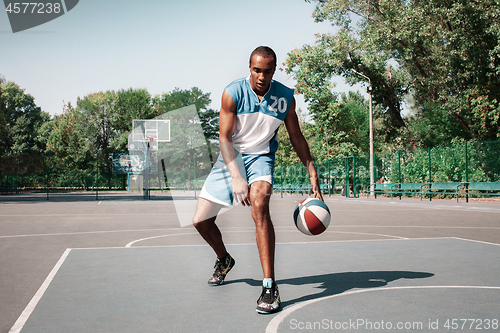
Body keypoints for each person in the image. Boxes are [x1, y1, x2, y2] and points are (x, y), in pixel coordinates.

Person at [192, 46, 323, 314]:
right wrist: (237, 178)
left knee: (260, 205)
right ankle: (224, 259)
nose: (262, 76)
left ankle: (269, 286)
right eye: (257, 70)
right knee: (200, 221)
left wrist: (311, 169)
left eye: (268, 71)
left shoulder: (286, 97)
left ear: (274, 70)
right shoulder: (233, 93)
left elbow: (296, 136)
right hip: (231, 157)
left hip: (261, 157)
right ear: (249, 69)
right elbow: (224, 138)